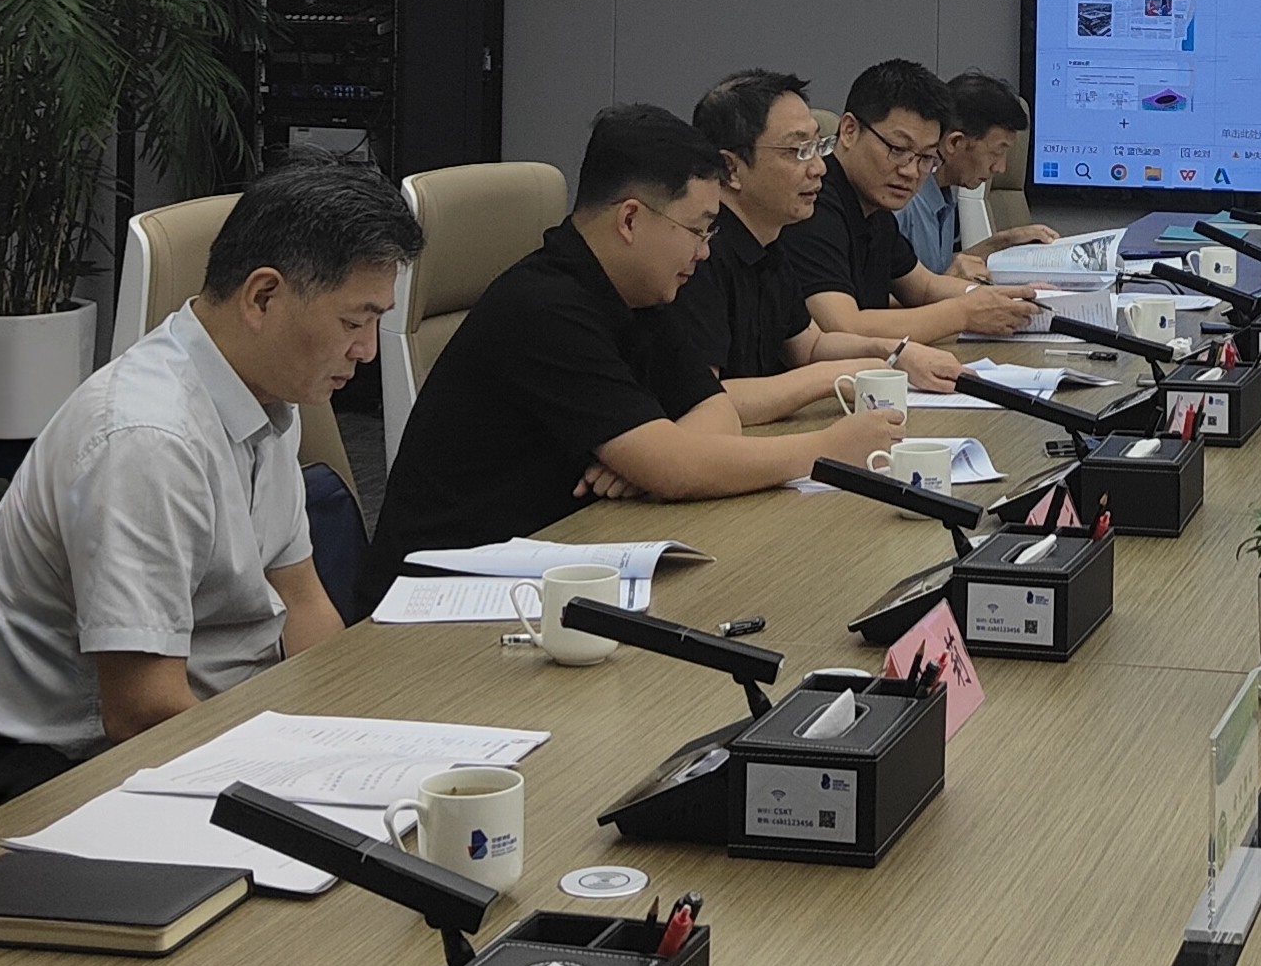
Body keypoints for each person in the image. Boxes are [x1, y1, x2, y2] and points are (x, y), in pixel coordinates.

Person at [0, 158, 423, 826]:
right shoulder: (146, 440)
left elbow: (302, 600)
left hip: (221, 728)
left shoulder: (268, 397)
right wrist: (307, 794)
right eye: (354, 322)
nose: (368, 350)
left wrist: (355, 746)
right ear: (263, 298)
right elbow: (142, 713)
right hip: (64, 780)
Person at [366, 105, 907, 603]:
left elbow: (714, 409)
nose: (705, 251)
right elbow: (675, 467)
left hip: (563, 554)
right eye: (697, 229)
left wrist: (655, 461)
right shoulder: (542, 307)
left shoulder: (640, 292)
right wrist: (825, 450)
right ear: (630, 220)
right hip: (446, 592)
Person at [609, 70, 965, 501]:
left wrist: (891, 355)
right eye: (798, 151)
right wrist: (837, 377)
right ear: (730, 168)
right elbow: (703, 397)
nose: (819, 168)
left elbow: (809, 346)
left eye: (817, 146)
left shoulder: (770, 239)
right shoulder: (696, 255)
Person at [778, 59, 1045, 343]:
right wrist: (963, 314)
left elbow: (925, 287)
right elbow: (842, 327)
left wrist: (1014, 297)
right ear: (849, 130)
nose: (911, 171)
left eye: (926, 157)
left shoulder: (876, 208)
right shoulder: (813, 202)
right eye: (898, 149)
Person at [894, 70, 1058, 279]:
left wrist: (1005, 241)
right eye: (996, 152)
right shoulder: (902, 203)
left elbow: (937, 269)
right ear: (955, 142)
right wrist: (947, 285)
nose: (1000, 168)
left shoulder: (944, 196)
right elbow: (876, 295)